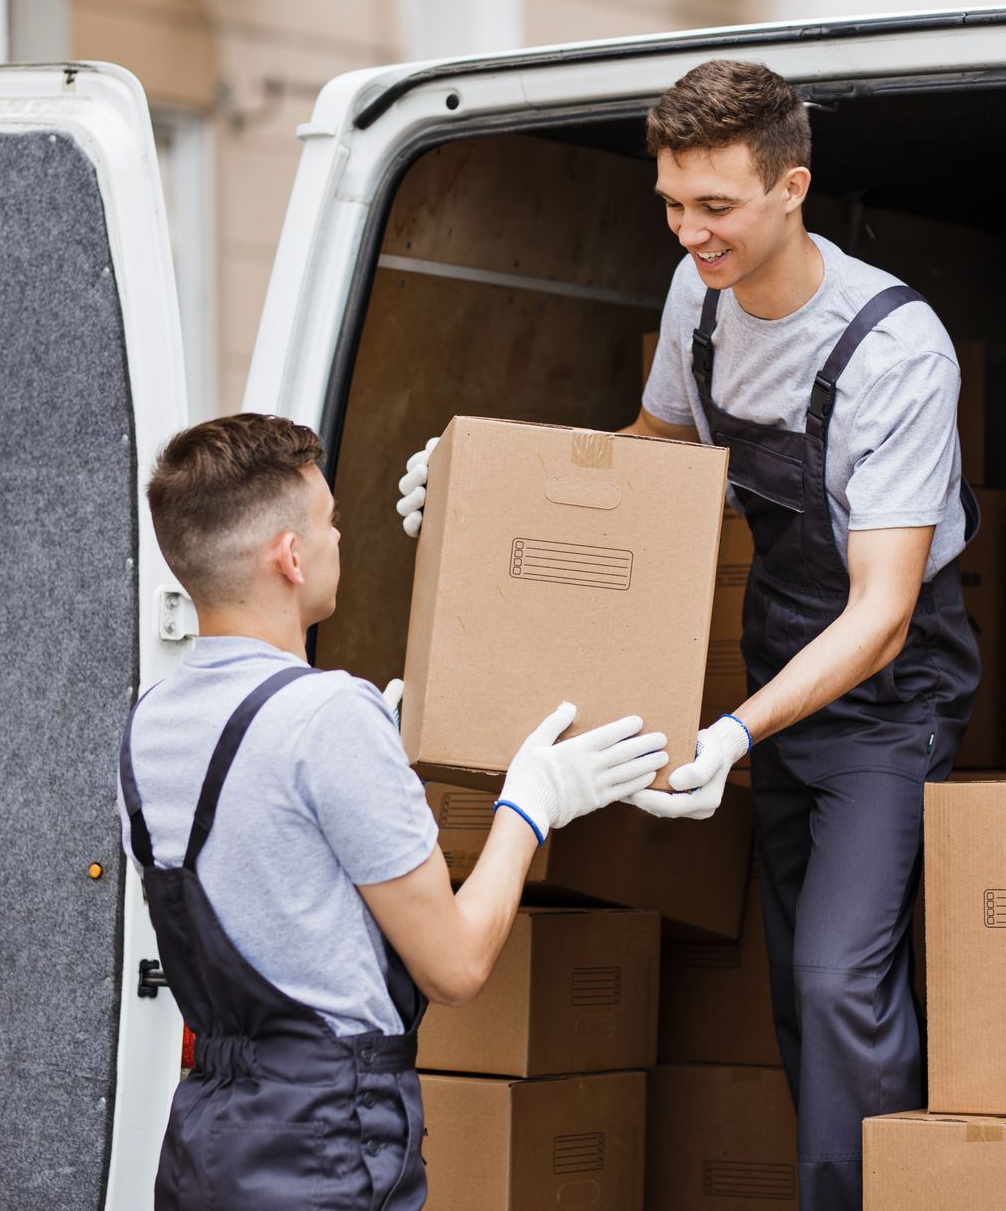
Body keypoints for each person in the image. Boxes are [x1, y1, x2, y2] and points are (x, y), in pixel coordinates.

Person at [397, 59, 978, 1211]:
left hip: (885, 703)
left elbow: (884, 608)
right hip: (774, 672)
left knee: (832, 981)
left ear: (792, 186)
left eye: (715, 207)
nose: (688, 232)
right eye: (671, 202)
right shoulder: (695, 300)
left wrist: (728, 737)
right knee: (792, 989)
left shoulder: (896, 350)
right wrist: (481, 485)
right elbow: (654, 450)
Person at [121, 413, 666, 1210]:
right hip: (326, 1148)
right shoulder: (330, 720)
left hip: (208, 1146)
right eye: (331, 522)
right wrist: (530, 803)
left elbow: (276, 881)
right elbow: (454, 968)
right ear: (291, 555)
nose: (340, 538)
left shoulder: (149, 725)